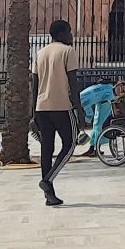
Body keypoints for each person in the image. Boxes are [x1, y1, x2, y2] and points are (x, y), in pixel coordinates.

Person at [32, 18, 78, 206]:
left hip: (41, 108)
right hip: (61, 107)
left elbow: (34, 85)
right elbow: (73, 84)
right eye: (69, 32)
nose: (71, 35)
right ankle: (48, 179)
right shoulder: (68, 51)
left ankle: (49, 195)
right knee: (70, 144)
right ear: (61, 34)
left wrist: (33, 113)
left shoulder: (40, 53)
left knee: (46, 149)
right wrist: (80, 111)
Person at [79, 79, 117, 157]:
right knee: (98, 125)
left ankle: (95, 149)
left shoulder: (82, 98)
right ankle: (94, 148)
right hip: (104, 98)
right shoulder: (109, 87)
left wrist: (87, 120)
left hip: (105, 99)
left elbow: (89, 112)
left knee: (99, 125)